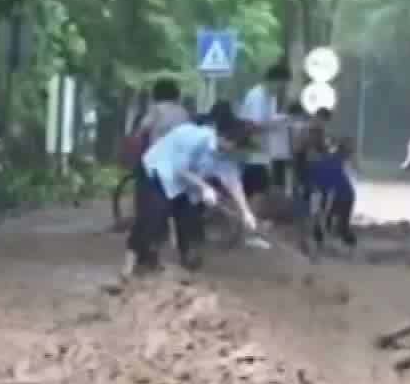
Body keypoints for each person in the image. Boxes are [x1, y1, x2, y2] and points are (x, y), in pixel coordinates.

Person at [125, 111, 258, 278]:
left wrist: (246, 212)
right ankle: (131, 267)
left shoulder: (227, 154)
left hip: (185, 184)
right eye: (236, 147)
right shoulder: (194, 138)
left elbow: (233, 181)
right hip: (158, 172)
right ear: (225, 138)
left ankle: (188, 261)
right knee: (152, 219)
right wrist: (205, 188)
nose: (236, 152)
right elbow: (180, 169)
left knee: (190, 220)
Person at [301, 107, 358, 249]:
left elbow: (345, 152)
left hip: (342, 195)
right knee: (324, 220)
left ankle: (343, 245)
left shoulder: (328, 161)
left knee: (333, 223)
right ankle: (323, 241)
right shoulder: (324, 161)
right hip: (335, 193)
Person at [236, 61, 291, 198]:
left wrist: (279, 121)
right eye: (282, 85)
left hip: (261, 155)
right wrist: (276, 124)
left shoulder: (270, 98)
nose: (282, 89)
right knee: (255, 196)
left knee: (258, 195)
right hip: (250, 156)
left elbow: (266, 121)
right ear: (274, 80)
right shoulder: (257, 96)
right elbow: (254, 125)